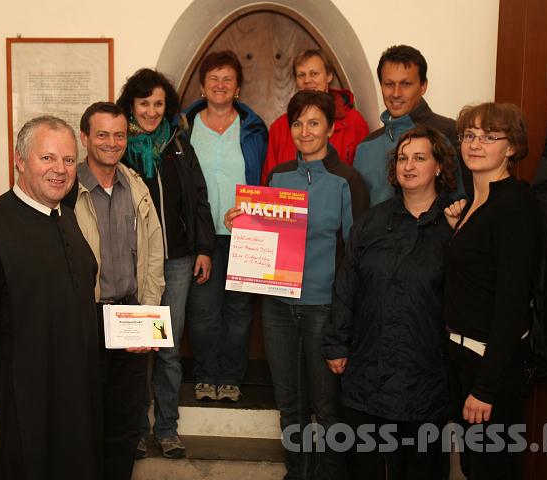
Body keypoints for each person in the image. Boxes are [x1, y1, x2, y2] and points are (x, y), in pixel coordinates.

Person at [0, 116, 103, 479]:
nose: (60, 170)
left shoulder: (65, 216)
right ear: (20, 160)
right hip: (15, 405)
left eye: (67, 160)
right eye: (47, 158)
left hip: (70, 397)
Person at [225, 90, 369, 479]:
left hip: (324, 308)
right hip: (277, 306)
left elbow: (356, 257)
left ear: (331, 128)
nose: (304, 131)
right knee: (289, 403)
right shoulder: (278, 176)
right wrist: (241, 224)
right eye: (298, 123)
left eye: (314, 122)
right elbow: (267, 239)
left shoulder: (347, 180)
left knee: (327, 406)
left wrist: (345, 317)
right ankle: (297, 471)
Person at [322, 126, 458, 479]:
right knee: (364, 465)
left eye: (419, 158)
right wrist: (336, 342)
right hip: (368, 369)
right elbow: (346, 284)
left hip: (425, 373)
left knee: (421, 468)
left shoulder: (455, 226)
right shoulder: (372, 221)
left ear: (439, 166)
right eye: (402, 158)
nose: (408, 166)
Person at [115, 69, 216, 459]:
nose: (152, 111)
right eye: (145, 104)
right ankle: (137, 430)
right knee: (139, 347)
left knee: (169, 346)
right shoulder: (119, 147)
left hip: (176, 261)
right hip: (133, 262)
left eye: (159, 103)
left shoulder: (178, 143)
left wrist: (203, 248)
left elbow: (199, 197)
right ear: (131, 106)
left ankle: (168, 429)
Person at [64, 101, 165, 477]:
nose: (111, 142)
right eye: (102, 134)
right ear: (85, 137)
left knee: (125, 421)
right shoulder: (66, 190)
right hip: (85, 317)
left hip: (131, 313)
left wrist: (150, 317)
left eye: (119, 135)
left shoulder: (136, 187)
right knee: (82, 417)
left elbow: (155, 255)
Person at [443, 102, 540, 479]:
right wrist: (458, 227)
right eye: (469, 135)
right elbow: (476, 275)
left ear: (511, 148)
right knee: (473, 465)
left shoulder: (514, 205)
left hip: (491, 367)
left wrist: (485, 387)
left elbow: (512, 305)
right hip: (463, 357)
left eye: (489, 136)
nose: (476, 144)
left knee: (492, 470)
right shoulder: (476, 203)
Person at [181, 50, 268, 403]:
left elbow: (265, 179)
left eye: (227, 78)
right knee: (202, 312)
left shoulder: (253, 130)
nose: (220, 84)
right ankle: (205, 374)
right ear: (202, 85)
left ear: (237, 88)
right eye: (213, 78)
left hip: (246, 234)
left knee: (238, 311)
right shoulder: (183, 128)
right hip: (201, 237)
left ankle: (231, 376)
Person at [353, 44, 470, 206]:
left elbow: (462, 202)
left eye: (406, 84)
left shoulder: (449, 132)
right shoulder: (365, 147)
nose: (396, 93)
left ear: (423, 86)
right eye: (389, 84)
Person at [262, 48, 369, 182]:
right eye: (301, 75)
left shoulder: (354, 122)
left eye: (314, 74)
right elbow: (270, 181)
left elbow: (362, 179)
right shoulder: (279, 127)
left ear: (329, 76)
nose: (307, 80)